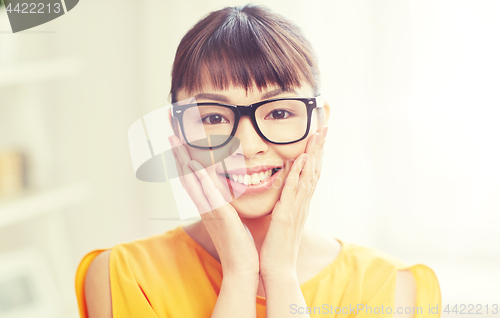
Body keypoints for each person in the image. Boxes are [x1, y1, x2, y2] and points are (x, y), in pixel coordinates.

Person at [75, 4, 441, 318]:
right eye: (214, 118)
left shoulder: (391, 288)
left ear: (320, 122)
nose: (248, 146)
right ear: (178, 134)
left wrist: (280, 274)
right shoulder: (122, 277)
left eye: (279, 113)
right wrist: (239, 273)